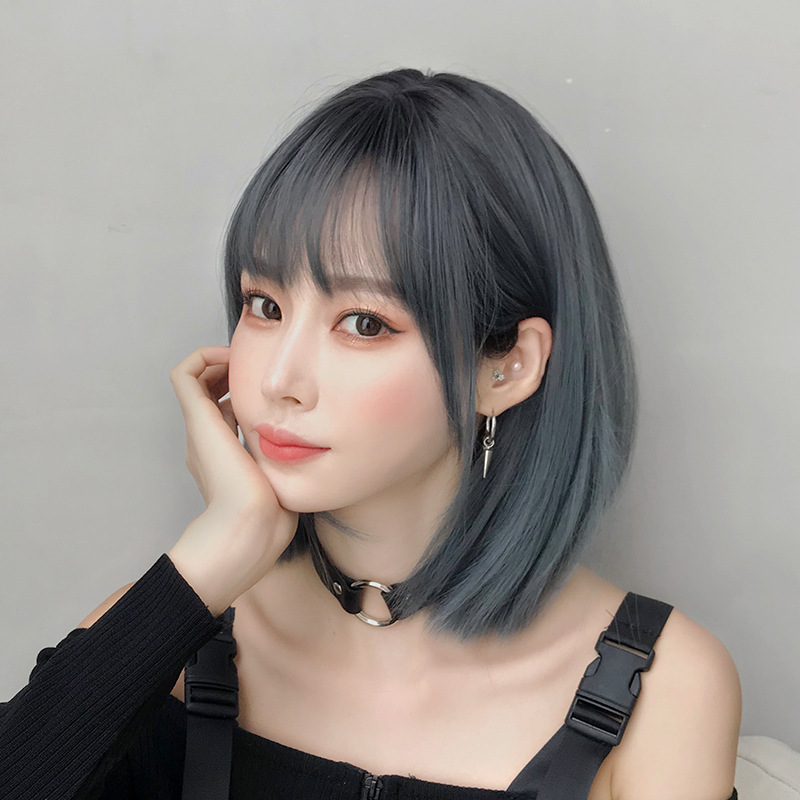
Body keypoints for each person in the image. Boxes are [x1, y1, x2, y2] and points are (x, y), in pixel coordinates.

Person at [0, 67, 740, 799]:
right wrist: (216, 556)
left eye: (363, 323)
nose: (279, 379)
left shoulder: (662, 691)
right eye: (264, 305)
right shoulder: (165, 630)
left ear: (507, 366)